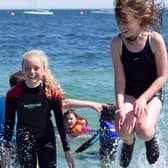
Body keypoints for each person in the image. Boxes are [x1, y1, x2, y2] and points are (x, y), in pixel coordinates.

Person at [111, 0, 167, 167]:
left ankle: (151, 137)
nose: (121, 26)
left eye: (126, 21)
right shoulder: (117, 43)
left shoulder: (155, 40)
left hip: (152, 93)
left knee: (143, 130)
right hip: (129, 92)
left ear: (140, 18)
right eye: (118, 20)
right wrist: (120, 107)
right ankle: (129, 143)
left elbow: (163, 76)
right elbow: (120, 79)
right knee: (123, 129)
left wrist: (143, 99)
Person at [2, 50, 75, 168]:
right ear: (22, 69)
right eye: (27, 68)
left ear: (43, 70)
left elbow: (60, 122)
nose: (32, 72)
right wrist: (6, 150)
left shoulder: (52, 93)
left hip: (46, 139)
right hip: (24, 140)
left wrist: (67, 151)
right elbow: (9, 124)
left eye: (36, 68)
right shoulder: (13, 94)